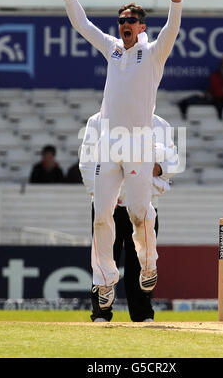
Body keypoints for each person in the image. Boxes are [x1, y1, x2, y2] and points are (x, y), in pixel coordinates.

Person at [56, 0, 186, 309]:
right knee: (101, 214)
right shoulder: (113, 48)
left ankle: (148, 265)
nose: (124, 25)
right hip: (109, 145)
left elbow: (172, 30)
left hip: (139, 144)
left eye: (130, 21)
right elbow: (82, 24)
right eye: (122, 20)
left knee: (140, 214)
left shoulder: (154, 51)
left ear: (141, 26)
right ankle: (105, 281)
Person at [80, 112, 179, 322]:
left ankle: (143, 314)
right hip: (108, 206)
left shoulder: (160, 124)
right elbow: (87, 164)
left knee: (140, 261)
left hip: (144, 204)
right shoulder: (97, 122)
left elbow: (173, 160)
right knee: (105, 258)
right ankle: (101, 313)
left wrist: (159, 168)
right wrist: (103, 194)